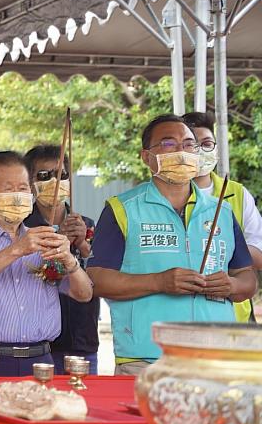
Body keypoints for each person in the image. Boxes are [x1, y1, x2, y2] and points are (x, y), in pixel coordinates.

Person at [87, 114, 257, 375]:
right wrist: (159, 282)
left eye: (189, 145)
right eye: (168, 144)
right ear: (146, 157)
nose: (181, 151)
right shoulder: (121, 209)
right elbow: (96, 280)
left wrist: (231, 285)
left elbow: (246, 278)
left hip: (215, 356)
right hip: (147, 358)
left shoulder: (221, 210)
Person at [0, 151, 93, 376]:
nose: (18, 195)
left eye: (22, 189)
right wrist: (17, 250)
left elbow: (84, 294)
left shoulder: (45, 238)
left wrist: (70, 262)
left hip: (42, 360)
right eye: (8, 189)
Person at [24, 145, 99, 374]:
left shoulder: (85, 223)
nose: (55, 182)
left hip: (82, 337)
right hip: (40, 342)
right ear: (30, 183)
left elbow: (100, 275)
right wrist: (60, 243)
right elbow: (32, 275)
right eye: (45, 176)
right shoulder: (24, 227)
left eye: (61, 175)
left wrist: (83, 245)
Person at [182, 111, 262, 322]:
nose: (201, 151)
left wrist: (225, 251)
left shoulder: (236, 193)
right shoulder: (167, 195)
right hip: (182, 314)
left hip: (233, 315)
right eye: (193, 145)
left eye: (207, 144)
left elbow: (260, 253)